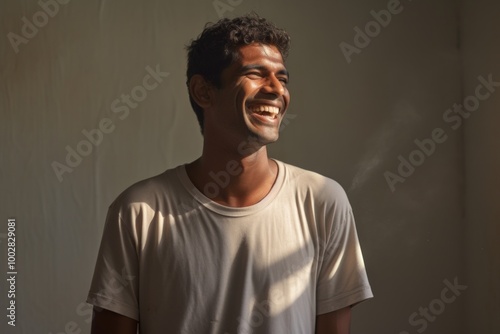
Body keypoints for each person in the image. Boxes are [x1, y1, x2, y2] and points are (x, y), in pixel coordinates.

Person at [87, 13, 373, 334]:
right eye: (256, 73)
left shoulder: (322, 202)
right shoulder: (138, 212)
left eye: (282, 78)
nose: (277, 89)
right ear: (203, 92)